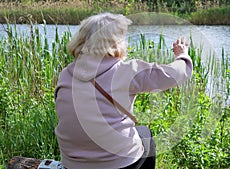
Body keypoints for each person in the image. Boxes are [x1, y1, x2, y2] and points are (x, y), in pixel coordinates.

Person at [54, 12, 193, 169]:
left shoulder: (66, 74)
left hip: (73, 164)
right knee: (145, 134)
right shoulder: (125, 71)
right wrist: (182, 55)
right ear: (115, 42)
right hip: (117, 164)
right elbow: (175, 74)